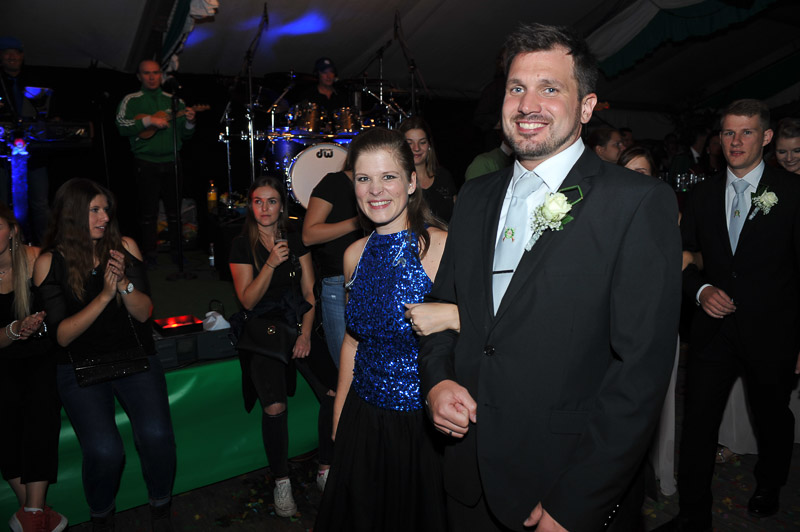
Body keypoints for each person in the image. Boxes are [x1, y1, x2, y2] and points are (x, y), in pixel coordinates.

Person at [418, 22, 681, 532]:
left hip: (562, 482)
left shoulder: (636, 203)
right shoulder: (475, 198)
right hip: (468, 475)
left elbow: (640, 373)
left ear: (586, 107)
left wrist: (577, 501)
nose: (527, 104)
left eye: (550, 88)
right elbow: (443, 310)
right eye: (516, 88)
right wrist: (438, 381)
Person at [658, 99, 800, 531]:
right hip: (713, 332)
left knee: (772, 416)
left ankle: (770, 483)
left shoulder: (793, 192)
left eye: (746, 132)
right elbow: (680, 255)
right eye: (728, 133)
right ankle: (693, 513)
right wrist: (700, 290)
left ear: (766, 137)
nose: (735, 142)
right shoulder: (702, 194)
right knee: (698, 422)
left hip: (772, 332)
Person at [315, 127, 449, 532]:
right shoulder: (354, 255)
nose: (375, 190)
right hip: (362, 419)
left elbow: (486, 330)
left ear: (411, 182)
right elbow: (352, 342)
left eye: (388, 176)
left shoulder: (440, 247)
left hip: (422, 427)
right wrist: (339, 418)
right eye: (364, 178)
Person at [33, 178, 176, 531]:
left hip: (133, 356)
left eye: (105, 209)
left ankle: (161, 507)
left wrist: (124, 283)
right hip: (78, 365)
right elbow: (62, 336)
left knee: (157, 436)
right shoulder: (49, 261)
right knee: (105, 451)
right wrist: (103, 297)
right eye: (94, 210)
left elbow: (144, 313)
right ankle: (101, 515)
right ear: (72, 214)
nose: (104, 217)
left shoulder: (123, 247)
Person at [229, 176, 336, 514]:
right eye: (258, 201)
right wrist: (271, 263)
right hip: (263, 331)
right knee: (274, 406)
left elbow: (309, 292)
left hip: (297, 325)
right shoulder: (241, 245)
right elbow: (248, 301)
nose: (265, 208)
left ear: (281, 206)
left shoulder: (295, 239)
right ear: (251, 206)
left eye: (272, 201)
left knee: (335, 392)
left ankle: (325, 468)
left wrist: (305, 335)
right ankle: (281, 481)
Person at [0, 203, 65, 532]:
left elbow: (62, 316)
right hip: (3, 356)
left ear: (12, 230)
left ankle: (33, 511)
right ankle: (36, 513)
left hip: (42, 353)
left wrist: (38, 326)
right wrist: (14, 330)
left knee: (40, 400)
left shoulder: (38, 259)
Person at [115, 59, 196, 268]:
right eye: (147, 73)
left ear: (162, 75)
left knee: (175, 213)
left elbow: (186, 135)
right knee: (148, 213)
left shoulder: (175, 101)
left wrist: (190, 122)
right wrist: (149, 121)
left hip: (172, 162)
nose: (152, 77)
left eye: (155, 73)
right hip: (146, 162)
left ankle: (178, 253)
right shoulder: (132, 100)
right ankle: (150, 254)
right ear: (139, 76)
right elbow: (122, 125)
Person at [302, 161, 361, 368]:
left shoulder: (385, 184)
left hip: (378, 279)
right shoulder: (335, 182)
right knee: (346, 367)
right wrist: (357, 222)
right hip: (339, 281)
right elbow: (308, 236)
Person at [0, 37, 51, 245]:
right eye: (7, 52)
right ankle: (8, 248)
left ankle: (45, 249)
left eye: (16, 52)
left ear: (22, 56)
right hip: (3, 155)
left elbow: (46, 114)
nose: (12, 56)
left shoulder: (35, 80)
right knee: (3, 205)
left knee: (40, 204)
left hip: (35, 153)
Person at [398, 116, 457, 222]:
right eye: (410, 143)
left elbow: (458, 216)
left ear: (429, 145)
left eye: (422, 142)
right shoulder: (396, 182)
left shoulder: (443, 176)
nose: (416, 148)